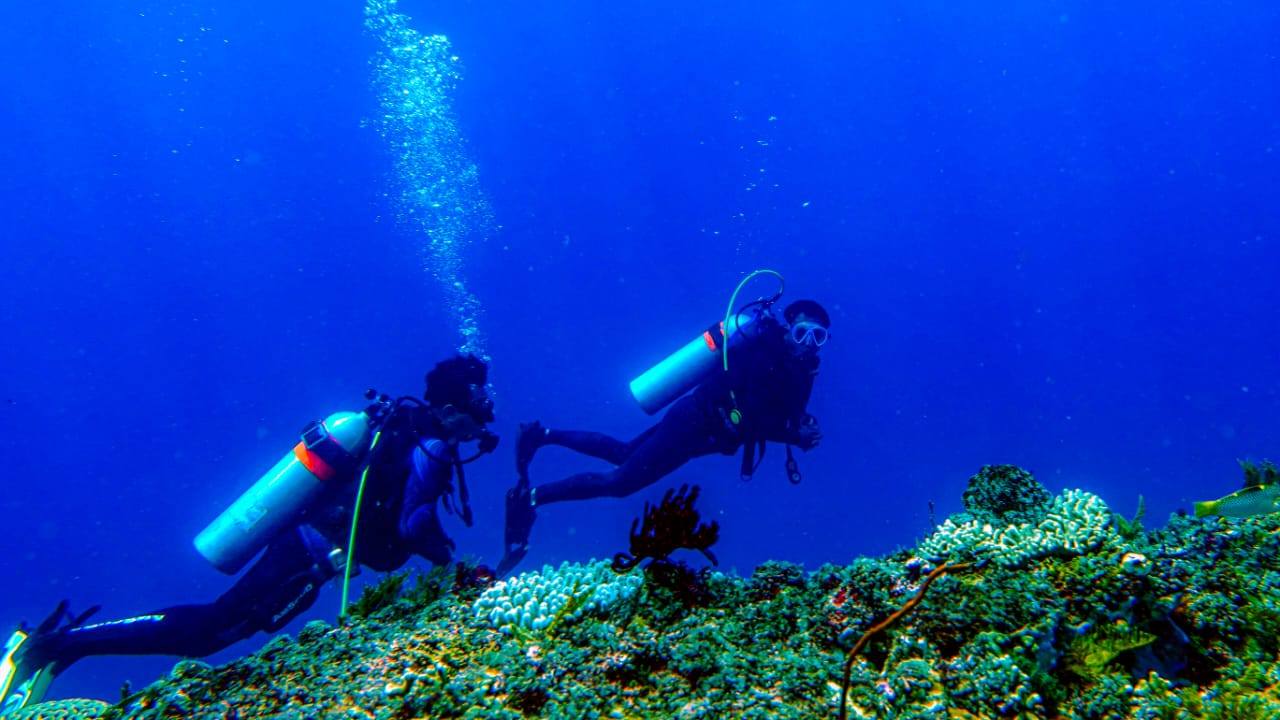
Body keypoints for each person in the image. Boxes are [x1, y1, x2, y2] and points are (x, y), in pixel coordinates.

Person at [0, 355, 499, 712]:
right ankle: (52, 646)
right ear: (458, 406)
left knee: (217, 630)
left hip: (305, 549)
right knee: (209, 632)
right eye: (481, 400)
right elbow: (412, 524)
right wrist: (449, 565)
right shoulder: (430, 447)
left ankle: (63, 644)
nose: (487, 413)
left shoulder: (404, 431)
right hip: (306, 556)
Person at [497, 299, 829, 576]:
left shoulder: (799, 371)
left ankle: (542, 435)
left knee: (622, 452)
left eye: (818, 337)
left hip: (697, 424)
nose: (808, 343)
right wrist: (794, 436)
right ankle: (528, 499)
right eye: (802, 333)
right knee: (619, 483)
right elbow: (754, 416)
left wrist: (797, 428)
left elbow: (773, 415)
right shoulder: (766, 357)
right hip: (694, 425)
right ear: (787, 331)